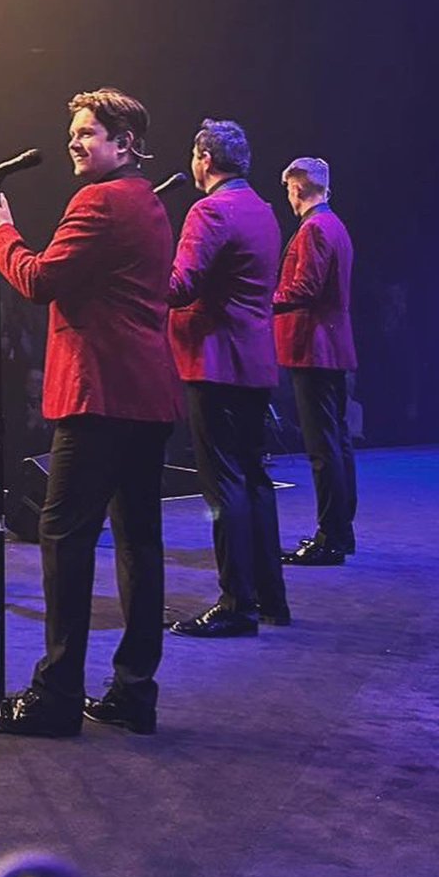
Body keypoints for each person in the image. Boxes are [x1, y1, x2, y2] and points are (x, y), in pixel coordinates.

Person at [0, 87, 180, 737]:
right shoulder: (147, 201)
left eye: (88, 132)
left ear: (125, 143)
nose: (75, 143)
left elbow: (38, 281)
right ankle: (134, 691)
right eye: (73, 134)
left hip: (101, 393)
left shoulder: (99, 201)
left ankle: (57, 693)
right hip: (147, 393)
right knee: (140, 541)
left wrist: (1, 235)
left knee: (64, 535)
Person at [166, 121, 289, 637]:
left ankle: (235, 602)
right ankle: (268, 597)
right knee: (254, 479)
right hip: (254, 360)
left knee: (224, 486)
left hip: (215, 361)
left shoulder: (209, 210)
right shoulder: (262, 209)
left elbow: (180, 286)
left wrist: (134, 267)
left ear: (203, 159)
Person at [273, 157, 358, 565]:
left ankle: (330, 537)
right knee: (337, 444)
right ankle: (341, 531)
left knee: (323, 447)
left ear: (298, 188)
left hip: (313, 347)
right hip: (333, 346)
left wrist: (262, 301)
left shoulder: (314, 230)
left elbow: (303, 288)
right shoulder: (335, 225)